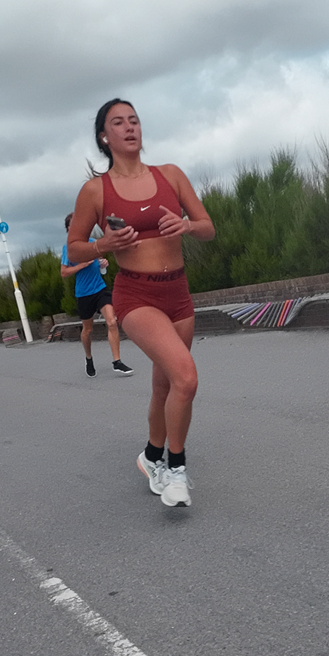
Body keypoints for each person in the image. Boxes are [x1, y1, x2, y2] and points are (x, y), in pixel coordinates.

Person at [67, 98, 215, 506]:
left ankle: (150, 457)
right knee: (186, 377)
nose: (130, 127)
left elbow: (208, 228)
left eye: (134, 120)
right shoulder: (96, 190)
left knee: (164, 385)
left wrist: (186, 224)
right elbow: (75, 248)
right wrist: (103, 243)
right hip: (136, 295)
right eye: (119, 122)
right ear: (104, 135)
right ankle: (176, 469)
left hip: (178, 293)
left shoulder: (171, 174)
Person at [61, 213, 133, 378]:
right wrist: (81, 266)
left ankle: (117, 362)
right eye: (73, 225)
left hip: (99, 288)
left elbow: (101, 266)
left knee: (112, 322)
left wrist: (104, 264)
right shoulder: (69, 248)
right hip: (84, 294)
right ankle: (89, 358)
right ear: (68, 229)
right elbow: (64, 272)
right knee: (87, 330)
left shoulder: (93, 243)